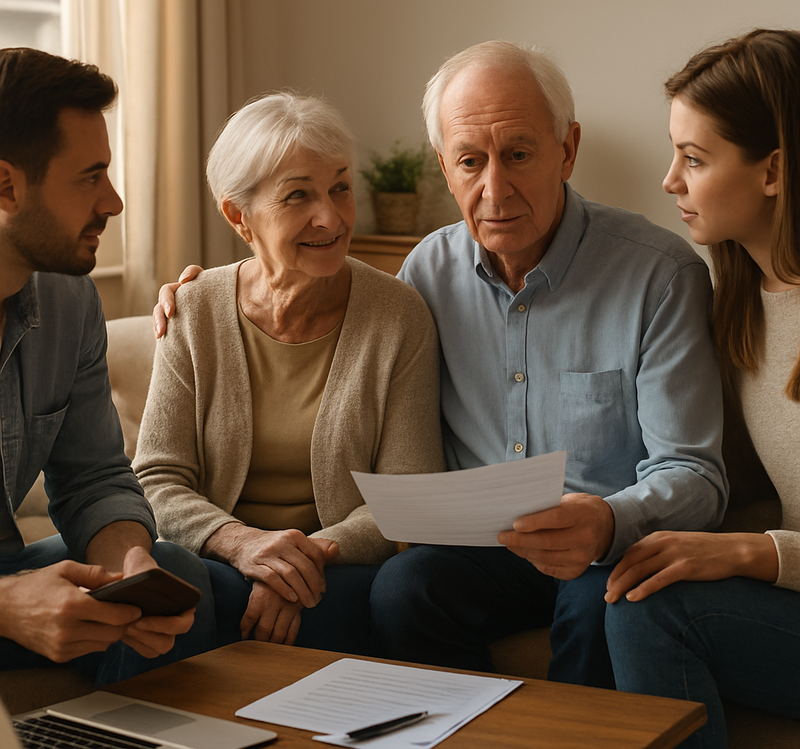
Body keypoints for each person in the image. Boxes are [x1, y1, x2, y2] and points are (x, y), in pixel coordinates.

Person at [156, 42, 727, 687]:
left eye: (518, 154)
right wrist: (201, 292)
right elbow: (316, 291)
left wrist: (610, 521)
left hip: (603, 544)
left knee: (603, 604)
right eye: (470, 161)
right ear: (444, 169)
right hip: (481, 551)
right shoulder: (427, 273)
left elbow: (695, 472)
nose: (495, 189)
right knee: (405, 587)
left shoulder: (660, 274)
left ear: (566, 150)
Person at [134, 92, 443, 654]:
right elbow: (155, 478)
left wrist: (298, 562)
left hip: (335, 569)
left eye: (340, 188)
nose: (330, 216)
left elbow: (407, 497)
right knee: (167, 577)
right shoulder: (194, 309)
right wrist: (241, 544)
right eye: (298, 195)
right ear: (238, 215)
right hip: (216, 560)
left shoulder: (398, 315)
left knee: (297, 610)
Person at [604, 28, 800, 747]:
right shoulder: (737, 305)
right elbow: (744, 491)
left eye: (694, 158)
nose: (669, 181)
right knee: (637, 582)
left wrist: (752, 553)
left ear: (773, 170)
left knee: (656, 609)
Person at [0, 47, 215, 686]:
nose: (115, 202)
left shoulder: (69, 300)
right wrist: (7, 608)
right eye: (90, 177)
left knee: (174, 570)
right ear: (7, 185)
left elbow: (93, 477)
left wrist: (133, 565)